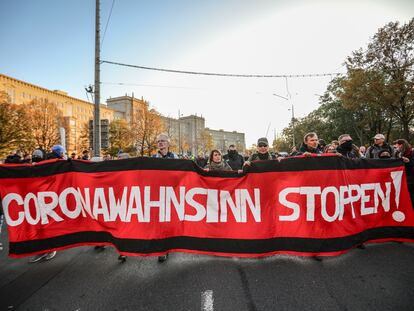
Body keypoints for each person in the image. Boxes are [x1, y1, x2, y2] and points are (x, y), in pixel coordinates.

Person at [152, 133, 178, 263]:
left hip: (171, 193)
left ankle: (167, 246)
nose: (160, 143)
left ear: (168, 143)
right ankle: (162, 249)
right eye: (158, 141)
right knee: (159, 222)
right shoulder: (152, 158)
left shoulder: (175, 157)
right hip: (157, 194)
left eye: (163, 141)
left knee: (169, 221)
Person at [28, 149, 57, 263]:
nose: (35, 159)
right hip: (35, 202)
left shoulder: (48, 168)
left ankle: (51, 249)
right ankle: (41, 250)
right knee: (38, 227)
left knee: (47, 226)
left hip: (46, 202)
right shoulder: (30, 168)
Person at [394, 139, 414, 208]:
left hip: (410, 177)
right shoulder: (397, 153)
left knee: (410, 194)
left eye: (397, 144)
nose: (396, 146)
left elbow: (412, 165)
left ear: (401, 145)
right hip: (401, 176)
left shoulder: (411, 152)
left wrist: (408, 162)